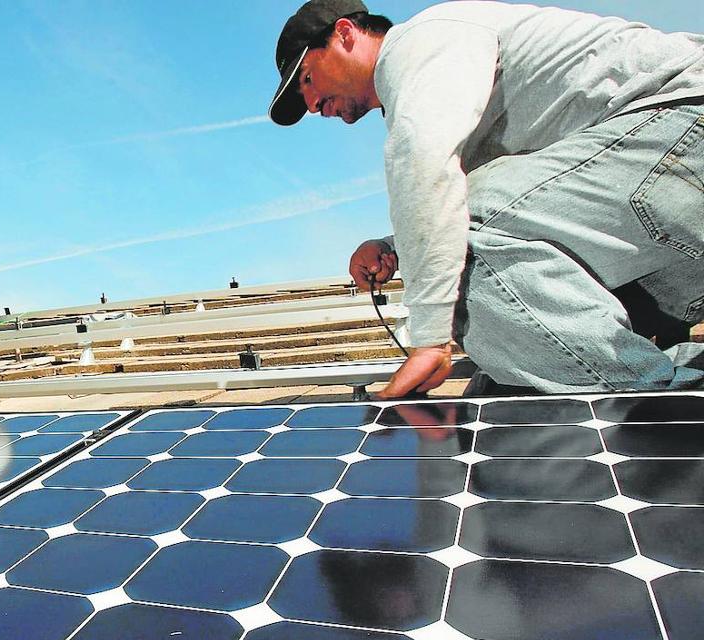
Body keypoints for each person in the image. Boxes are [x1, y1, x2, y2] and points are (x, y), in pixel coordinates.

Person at [268, 0, 704, 397]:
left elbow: (433, 181)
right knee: (508, 375)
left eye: (307, 79)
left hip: (682, 123)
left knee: (460, 255)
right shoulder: (444, 89)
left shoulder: (420, 43)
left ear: (346, 34)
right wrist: (393, 246)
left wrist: (429, 337)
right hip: (666, 193)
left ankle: (661, 409)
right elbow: (504, 198)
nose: (311, 105)